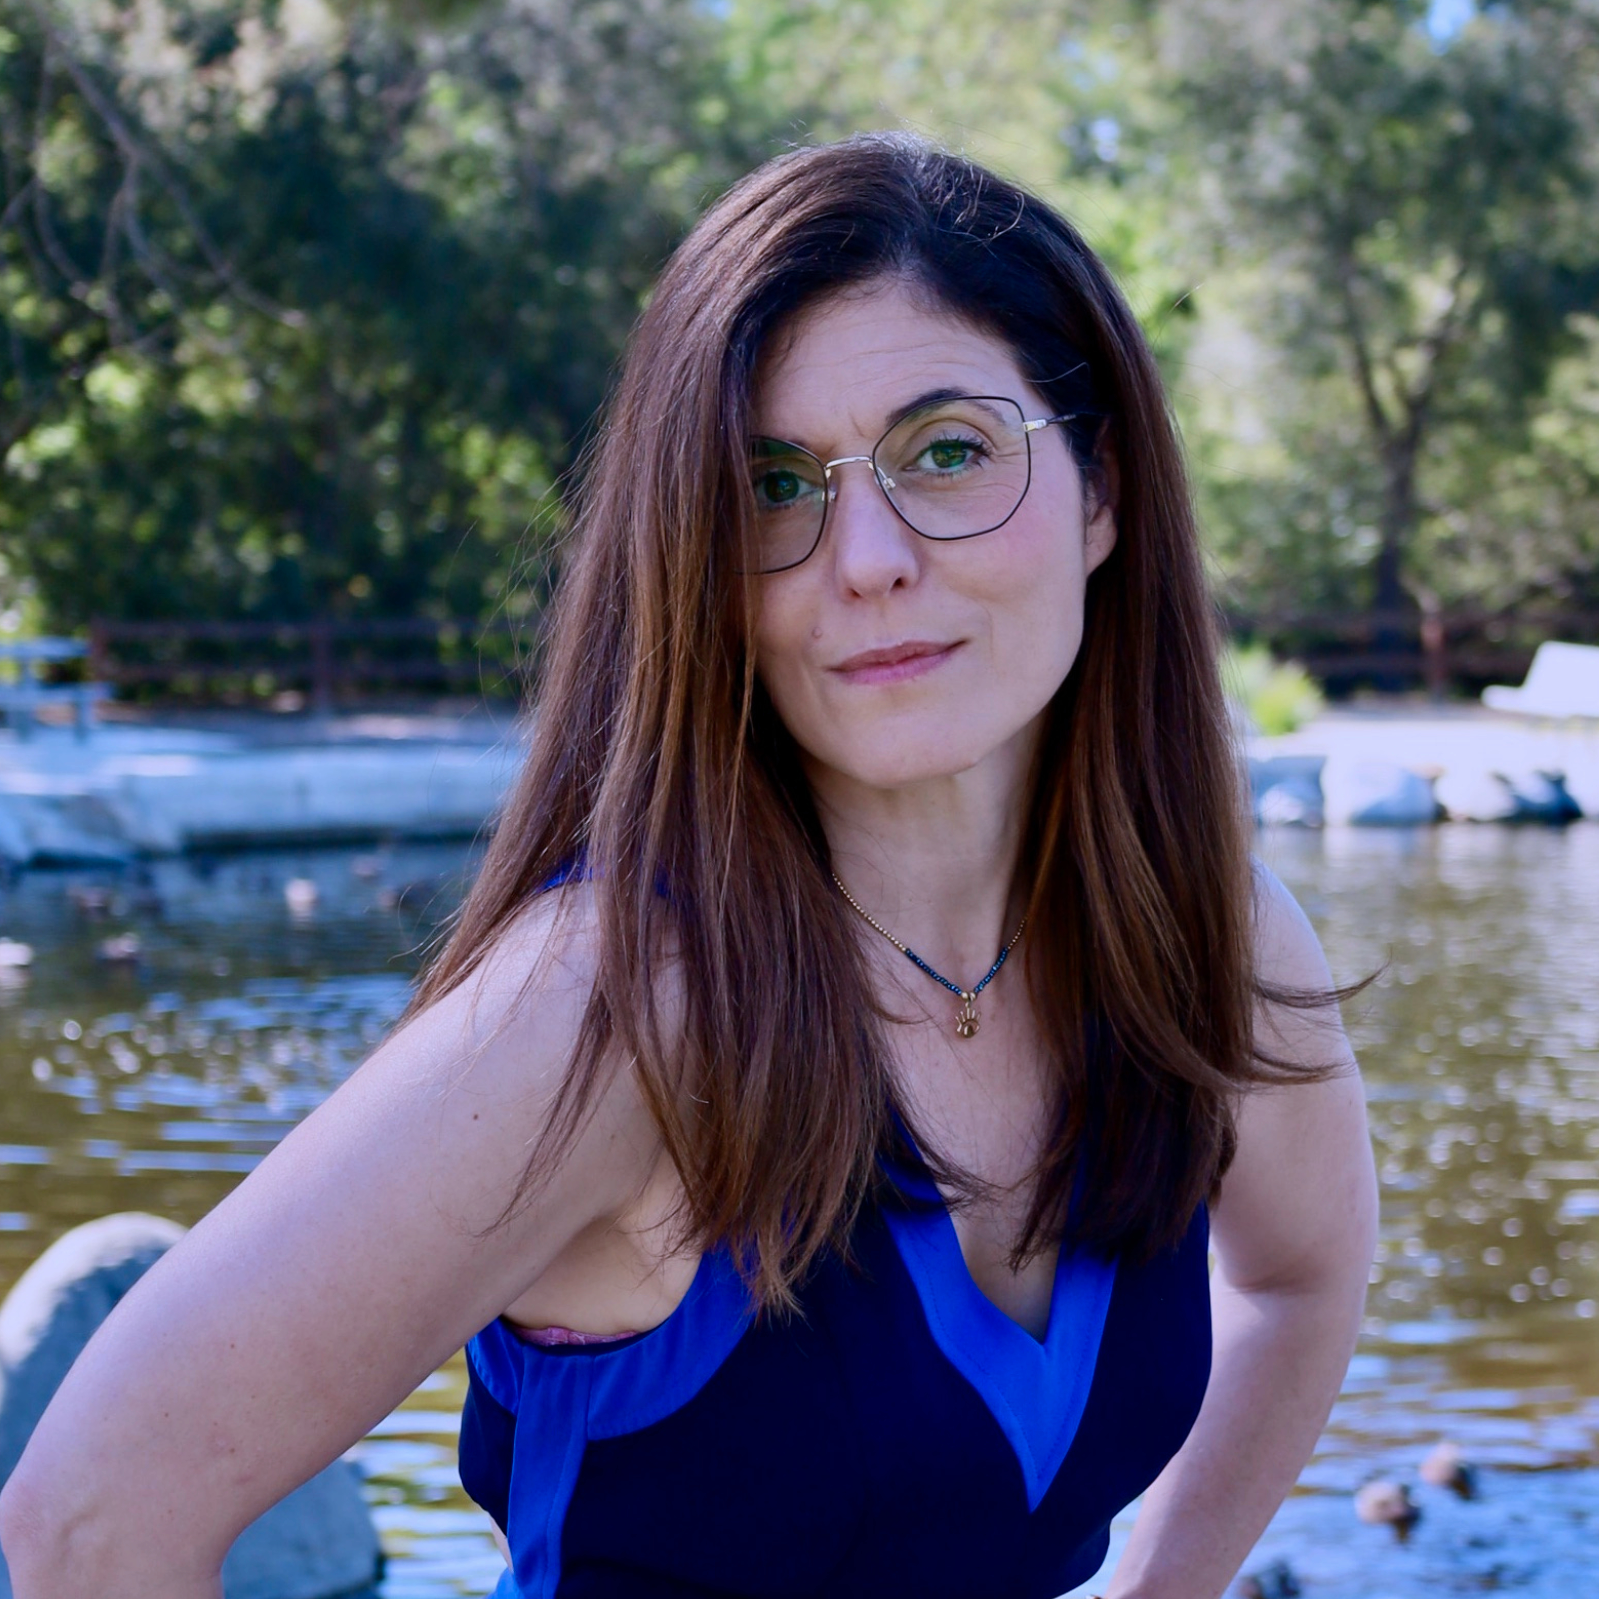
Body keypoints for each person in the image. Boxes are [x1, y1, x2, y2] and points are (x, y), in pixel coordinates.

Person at [0, 134, 1377, 1599]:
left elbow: (1301, 1279)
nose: (864, 557)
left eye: (949, 451)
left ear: (1098, 490)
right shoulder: (618, 1009)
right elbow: (91, 1510)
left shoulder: (1205, 935)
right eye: (773, 484)